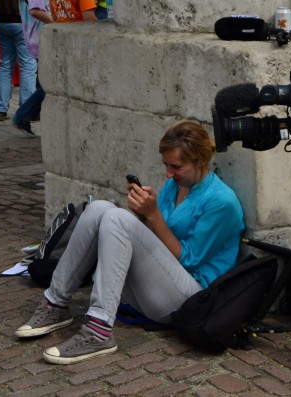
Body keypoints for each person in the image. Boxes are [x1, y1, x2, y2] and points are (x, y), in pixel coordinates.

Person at [15, 120, 245, 364]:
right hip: (158, 286)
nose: (168, 174)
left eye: (176, 166)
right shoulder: (174, 185)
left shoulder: (222, 202)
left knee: (116, 217)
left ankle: (99, 330)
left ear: (200, 161)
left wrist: (152, 215)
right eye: (166, 165)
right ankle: (55, 304)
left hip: (191, 300)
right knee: (98, 209)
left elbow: (188, 259)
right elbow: (155, 244)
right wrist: (143, 214)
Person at [0, 0, 37, 121]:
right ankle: (26, 110)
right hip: (20, 20)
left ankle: (0, 109)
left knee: (5, 63)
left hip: (0, 20)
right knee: (28, 65)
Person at [11, 0, 52, 135]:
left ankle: (30, 115)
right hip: (41, 39)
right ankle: (22, 116)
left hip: (40, 38)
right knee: (51, 85)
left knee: (45, 84)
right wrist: (58, 24)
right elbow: (35, 11)